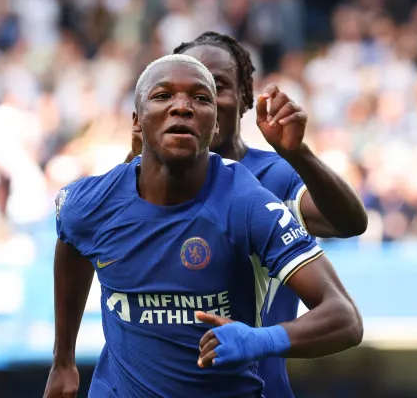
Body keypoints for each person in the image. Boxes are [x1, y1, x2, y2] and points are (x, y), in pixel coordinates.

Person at [44, 54, 363, 397]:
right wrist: (63, 360)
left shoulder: (247, 203)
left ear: (214, 126)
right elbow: (72, 240)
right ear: (137, 123)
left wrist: (261, 339)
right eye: (163, 95)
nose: (182, 107)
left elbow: (345, 317)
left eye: (200, 98)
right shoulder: (89, 202)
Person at [125, 31, 368, 397]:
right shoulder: (144, 182)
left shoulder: (274, 178)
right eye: (178, 91)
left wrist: (299, 154)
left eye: (215, 86)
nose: (190, 103)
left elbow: (349, 223)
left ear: (245, 99)